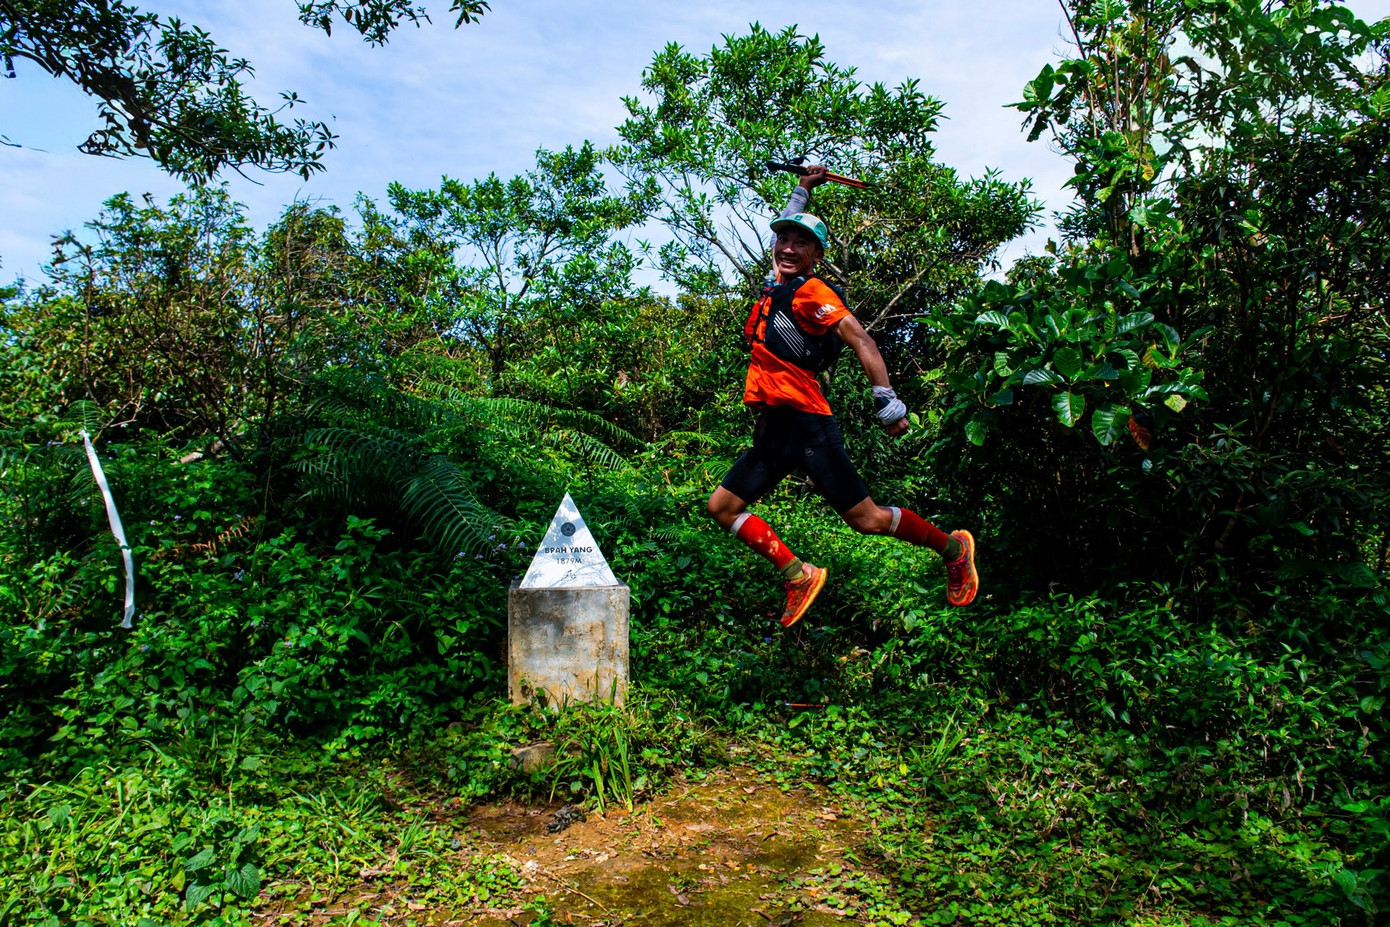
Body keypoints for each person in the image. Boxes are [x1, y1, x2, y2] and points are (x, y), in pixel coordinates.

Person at [707, 164, 979, 627]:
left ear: (815, 253)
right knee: (723, 507)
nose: (788, 248)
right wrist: (804, 188)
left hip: (808, 423)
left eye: (801, 243)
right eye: (783, 241)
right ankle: (798, 575)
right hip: (774, 429)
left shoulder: (812, 291)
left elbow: (863, 341)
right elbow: (786, 231)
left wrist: (887, 401)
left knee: (868, 518)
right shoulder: (777, 284)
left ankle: (954, 550)